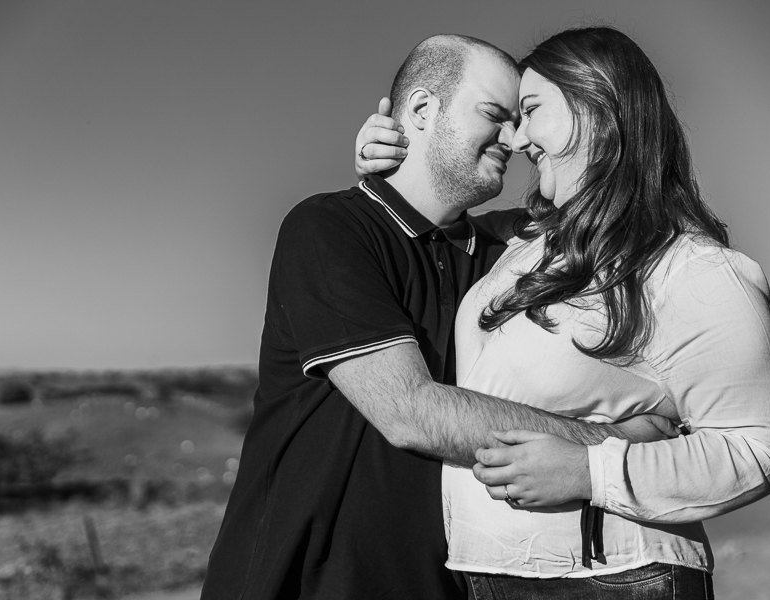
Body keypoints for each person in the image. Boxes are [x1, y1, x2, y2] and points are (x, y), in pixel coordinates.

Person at [200, 34, 676, 600]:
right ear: (424, 110)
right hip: (304, 580)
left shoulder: (506, 258)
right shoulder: (328, 229)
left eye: (523, 119)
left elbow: (611, 212)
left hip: (450, 584)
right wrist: (612, 446)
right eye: (496, 115)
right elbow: (409, 411)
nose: (516, 138)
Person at [354, 26, 770, 600]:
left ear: (596, 107)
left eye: (531, 110)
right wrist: (388, 169)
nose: (518, 137)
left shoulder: (696, 272)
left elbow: (756, 452)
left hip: (616, 580)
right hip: (487, 577)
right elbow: (419, 228)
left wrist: (591, 470)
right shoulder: (523, 248)